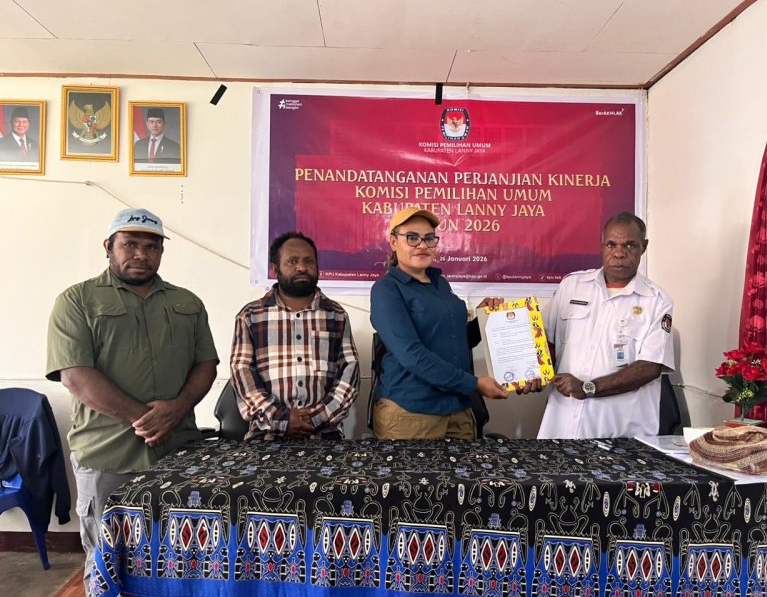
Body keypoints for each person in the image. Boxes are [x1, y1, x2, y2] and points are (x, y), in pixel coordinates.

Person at [46, 207, 219, 590]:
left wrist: (176, 410)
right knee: (107, 563)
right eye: (130, 244)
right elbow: (75, 375)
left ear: (161, 252)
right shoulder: (77, 300)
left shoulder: (187, 303)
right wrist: (148, 419)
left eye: (151, 246)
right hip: (108, 457)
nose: (141, 253)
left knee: (179, 558)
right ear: (108, 247)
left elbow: (206, 364)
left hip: (178, 454)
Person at [370, 206, 521, 440]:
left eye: (429, 238)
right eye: (412, 238)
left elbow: (456, 340)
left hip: (458, 409)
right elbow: (412, 354)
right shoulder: (386, 290)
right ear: (393, 242)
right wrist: (474, 384)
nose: (422, 245)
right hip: (411, 414)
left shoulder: (440, 283)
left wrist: (484, 319)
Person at [537, 211, 674, 439]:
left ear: (644, 246)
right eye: (612, 244)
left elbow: (650, 367)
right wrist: (531, 374)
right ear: (601, 244)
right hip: (561, 423)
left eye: (629, 245)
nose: (619, 253)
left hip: (619, 430)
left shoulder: (657, 300)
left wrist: (589, 387)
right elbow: (543, 341)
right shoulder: (572, 286)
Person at [230, 231, 360, 440]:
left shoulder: (336, 315)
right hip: (266, 436)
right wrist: (281, 419)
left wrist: (316, 418)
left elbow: (349, 372)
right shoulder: (251, 316)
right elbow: (242, 372)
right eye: (292, 261)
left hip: (324, 436)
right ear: (275, 268)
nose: (302, 267)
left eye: (309, 261)